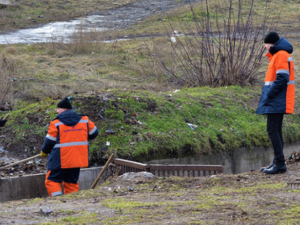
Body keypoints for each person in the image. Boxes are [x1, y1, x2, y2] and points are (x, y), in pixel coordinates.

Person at [40, 97, 99, 196]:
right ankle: (71, 203)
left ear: (64, 109)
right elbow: (94, 133)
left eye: (58, 109)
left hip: (60, 159)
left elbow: (49, 141)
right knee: (71, 182)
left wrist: (44, 151)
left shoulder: (56, 123)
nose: (57, 111)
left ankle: (58, 201)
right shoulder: (84, 120)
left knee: (52, 181)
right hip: (77, 158)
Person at [256, 31, 295, 174]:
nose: (265, 47)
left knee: (272, 130)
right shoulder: (279, 55)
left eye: (265, 44)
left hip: (277, 99)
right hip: (278, 99)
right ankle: (278, 163)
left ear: (271, 43)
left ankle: (279, 163)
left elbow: (281, 78)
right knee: (276, 131)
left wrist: (270, 94)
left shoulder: (280, 55)